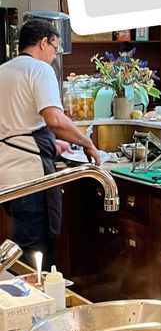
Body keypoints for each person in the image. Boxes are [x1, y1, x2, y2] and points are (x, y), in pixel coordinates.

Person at [0, 18, 101, 264]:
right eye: (55, 48)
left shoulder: (3, 70)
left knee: (21, 248)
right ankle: (31, 300)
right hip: (29, 176)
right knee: (33, 252)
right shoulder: (39, 69)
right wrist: (86, 142)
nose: (55, 56)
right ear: (44, 42)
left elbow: (15, 124)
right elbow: (54, 119)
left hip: (7, 174)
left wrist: (54, 145)